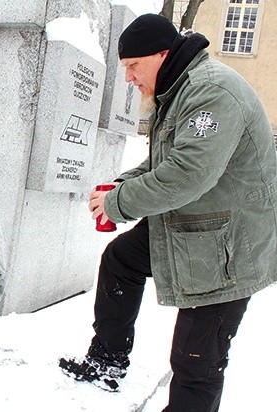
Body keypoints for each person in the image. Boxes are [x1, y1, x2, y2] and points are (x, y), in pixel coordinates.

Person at [59, 13, 277, 411]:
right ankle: (108, 360)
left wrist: (119, 203)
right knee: (121, 259)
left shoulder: (211, 92)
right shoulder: (178, 89)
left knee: (195, 361)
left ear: (162, 54)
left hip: (227, 247)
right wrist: (123, 185)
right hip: (196, 226)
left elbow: (187, 175)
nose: (129, 78)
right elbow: (165, 161)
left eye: (133, 66)